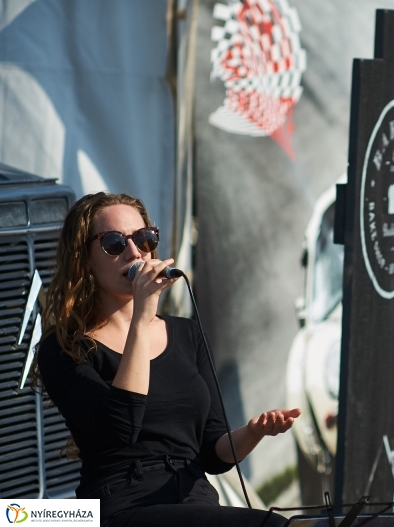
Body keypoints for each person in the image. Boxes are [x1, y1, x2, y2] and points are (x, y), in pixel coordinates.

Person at [36, 192, 300, 527]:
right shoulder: (64, 348)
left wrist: (253, 432)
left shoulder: (187, 334)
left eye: (144, 239)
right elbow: (120, 427)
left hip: (195, 500)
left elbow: (211, 454)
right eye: (115, 243)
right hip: (122, 505)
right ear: (84, 259)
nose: (135, 253)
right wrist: (141, 319)